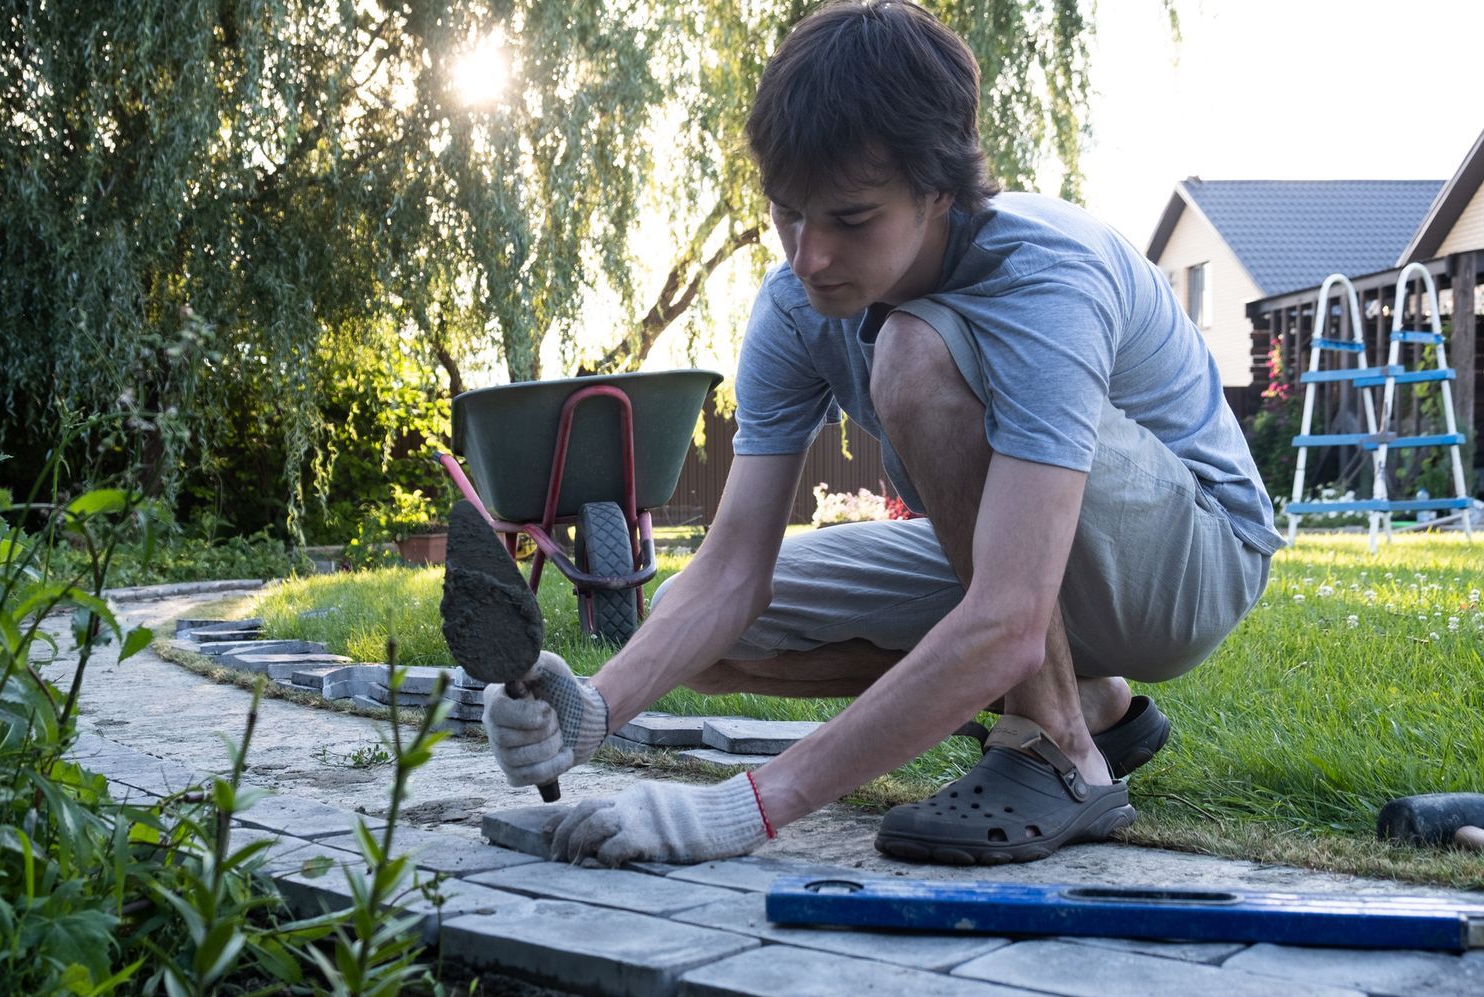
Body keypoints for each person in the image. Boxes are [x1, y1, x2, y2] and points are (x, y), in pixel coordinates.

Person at [481, 0, 1281, 867]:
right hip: (1023, 555)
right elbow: (732, 571)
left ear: (941, 188)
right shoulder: (795, 306)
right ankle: (1090, 705)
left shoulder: (1046, 273)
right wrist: (594, 707)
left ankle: (1055, 748)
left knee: (913, 351)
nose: (809, 256)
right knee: (703, 634)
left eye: (851, 220)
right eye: (789, 213)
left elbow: (1010, 616)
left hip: (1191, 559)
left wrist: (747, 808)